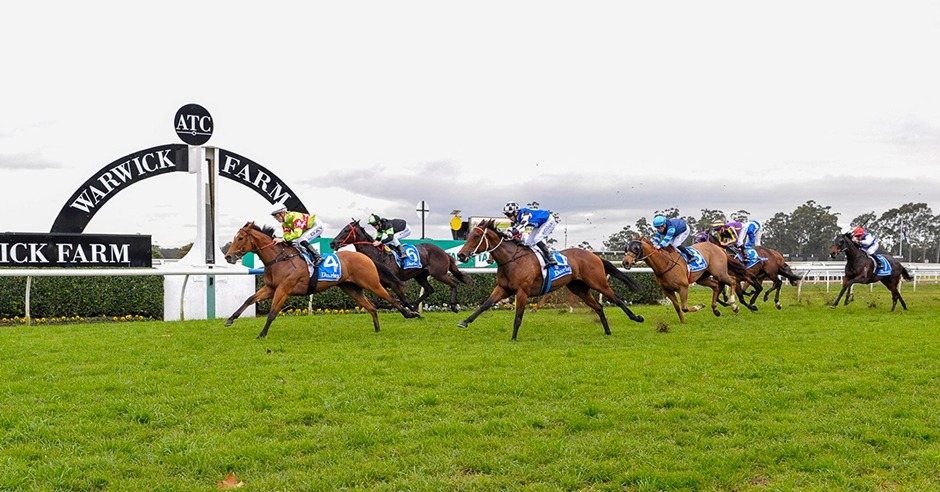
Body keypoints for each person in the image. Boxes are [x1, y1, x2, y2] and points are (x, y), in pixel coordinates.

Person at [503, 201, 557, 266]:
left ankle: (551, 258)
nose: (508, 217)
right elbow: (513, 228)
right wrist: (504, 233)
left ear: (516, 212)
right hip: (539, 224)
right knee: (528, 243)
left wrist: (511, 234)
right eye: (506, 215)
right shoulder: (517, 218)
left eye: (509, 215)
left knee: (537, 238)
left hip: (548, 220)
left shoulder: (525, 213)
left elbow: (522, 226)